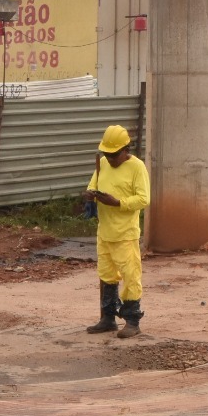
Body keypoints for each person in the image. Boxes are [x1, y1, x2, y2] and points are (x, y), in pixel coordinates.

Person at [83, 125, 150, 339]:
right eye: (106, 154)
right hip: (105, 232)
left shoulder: (137, 167)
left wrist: (118, 202)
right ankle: (108, 318)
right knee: (106, 275)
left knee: (131, 276)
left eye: (113, 155)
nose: (109, 158)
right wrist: (90, 196)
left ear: (125, 150)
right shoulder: (102, 164)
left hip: (125, 234)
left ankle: (132, 321)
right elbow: (92, 185)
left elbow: (143, 199)